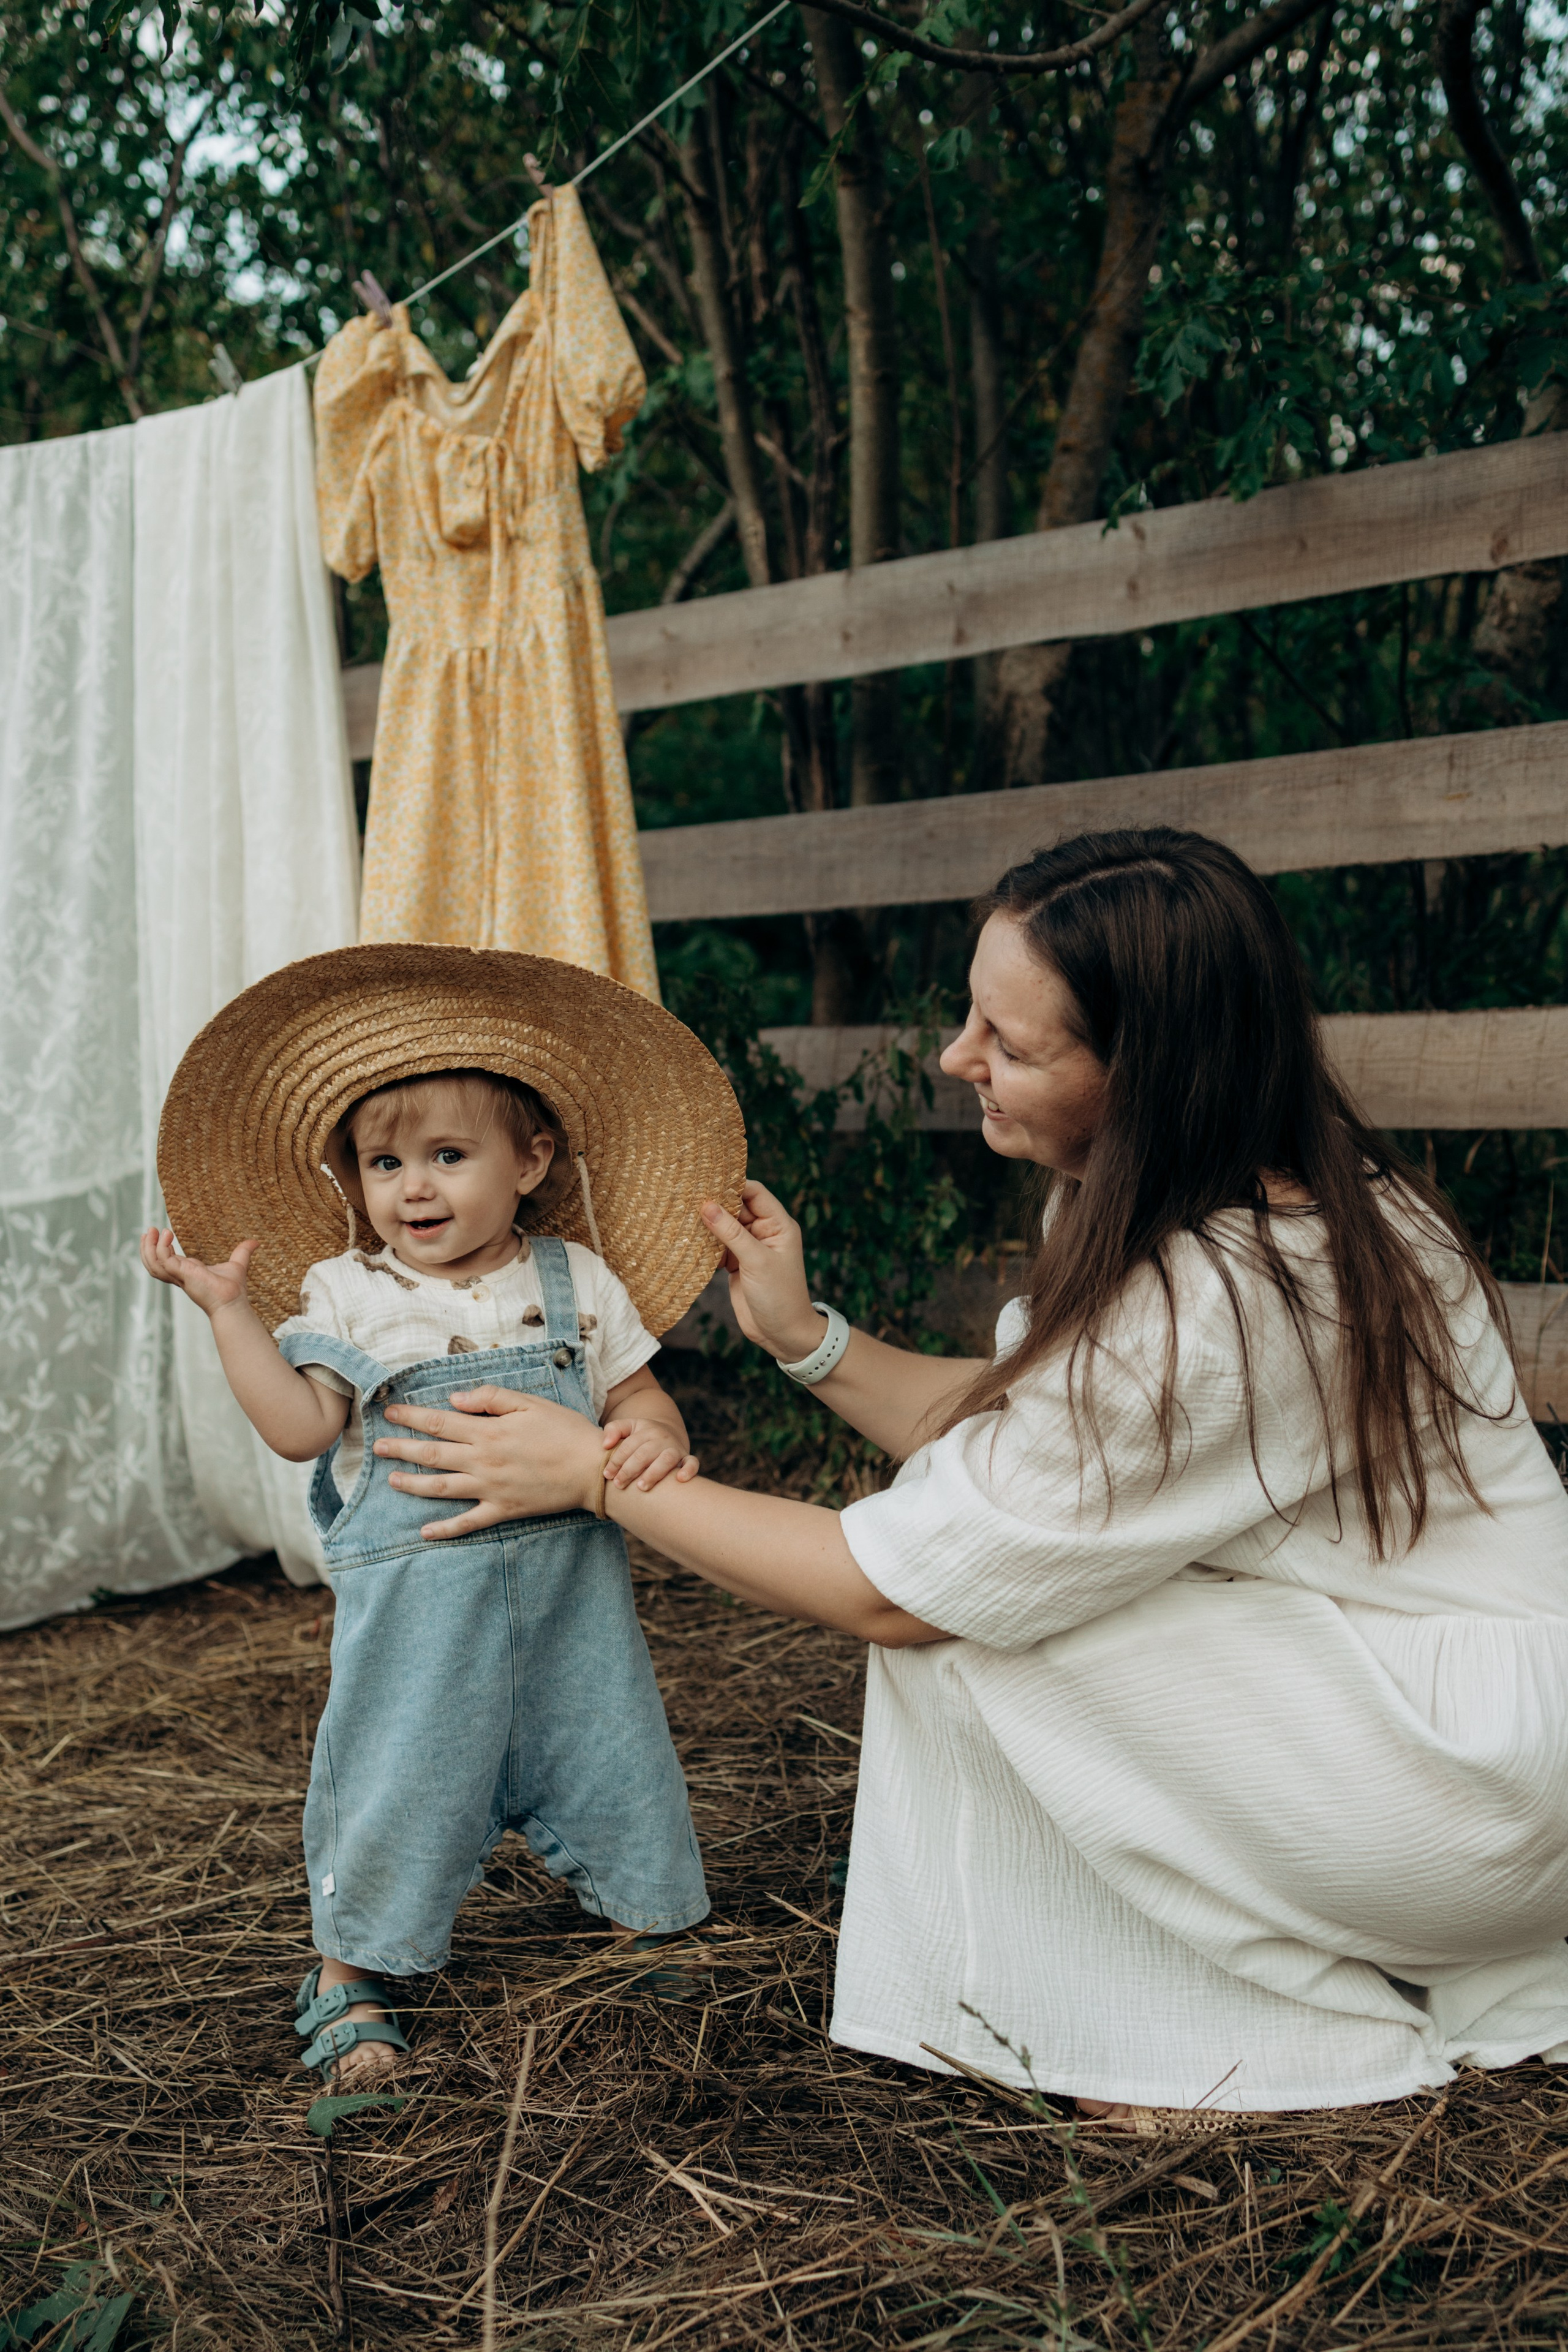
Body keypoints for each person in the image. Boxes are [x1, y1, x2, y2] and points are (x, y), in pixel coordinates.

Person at [371, 831, 1568, 2135]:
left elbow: (897, 1586)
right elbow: (1031, 1442)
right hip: (1428, 1711)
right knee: (997, 1583)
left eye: (1010, 1041)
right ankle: (1175, 1998)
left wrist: (598, 1477)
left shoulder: (1233, 1297)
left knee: (974, 1624)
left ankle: (1240, 2045)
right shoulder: (1226, 1196)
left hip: (1471, 1790)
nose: (956, 1057)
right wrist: (803, 1338)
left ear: (1145, 1071)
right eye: (969, 1014)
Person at [144, 943, 746, 2089]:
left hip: (575, 1622)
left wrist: (654, 1434)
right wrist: (227, 1314)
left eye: (448, 1156)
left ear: (532, 1160)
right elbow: (300, 1430)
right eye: (385, 1164)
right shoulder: (349, 1294)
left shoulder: (577, 1282)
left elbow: (635, 1394)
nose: (413, 1189)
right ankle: (350, 1971)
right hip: (419, 1635)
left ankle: (647, 1920)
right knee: (395, 1792)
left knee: (617, 1765)